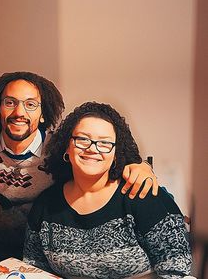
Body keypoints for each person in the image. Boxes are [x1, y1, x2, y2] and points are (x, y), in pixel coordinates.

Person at [0, 71, 159, 264]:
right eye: (10, 102)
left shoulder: (60, 146)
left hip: (52, 250)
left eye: (30, 104)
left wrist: (143, 166)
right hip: (1, 246)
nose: (19, 113)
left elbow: (109, 155)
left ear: (42, 115)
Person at [23, 102, 192, 278]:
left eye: (104, 143)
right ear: (67, 146)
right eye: (82, 139)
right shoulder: (46, 204)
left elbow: (177, 269)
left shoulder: (140, 194)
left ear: (115, 154)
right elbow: (34, 269)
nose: (92, 148)